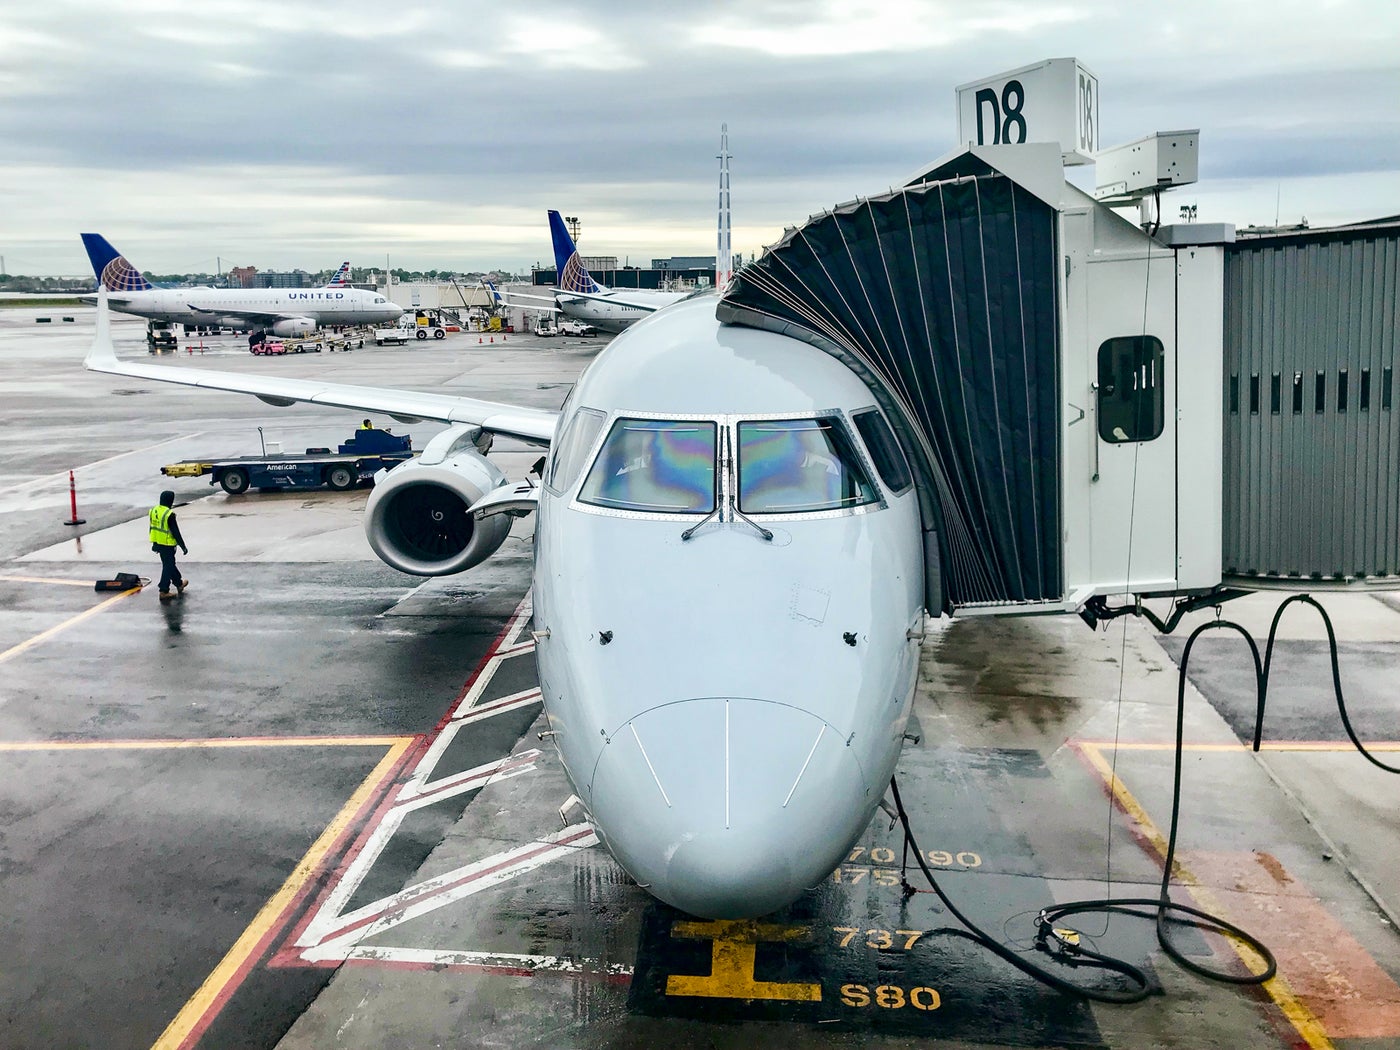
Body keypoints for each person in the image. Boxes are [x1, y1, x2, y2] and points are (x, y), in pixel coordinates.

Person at [149, 490, 189, 601]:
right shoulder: (169, 514)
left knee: (169, 564)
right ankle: (163, 590)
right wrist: (183, 546)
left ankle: (179, 583)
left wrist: (154, 544)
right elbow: (175, 532)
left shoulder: (154, 510)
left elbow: (152, 528)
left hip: (159, 543)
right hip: (167, 544)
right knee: (168, 566)